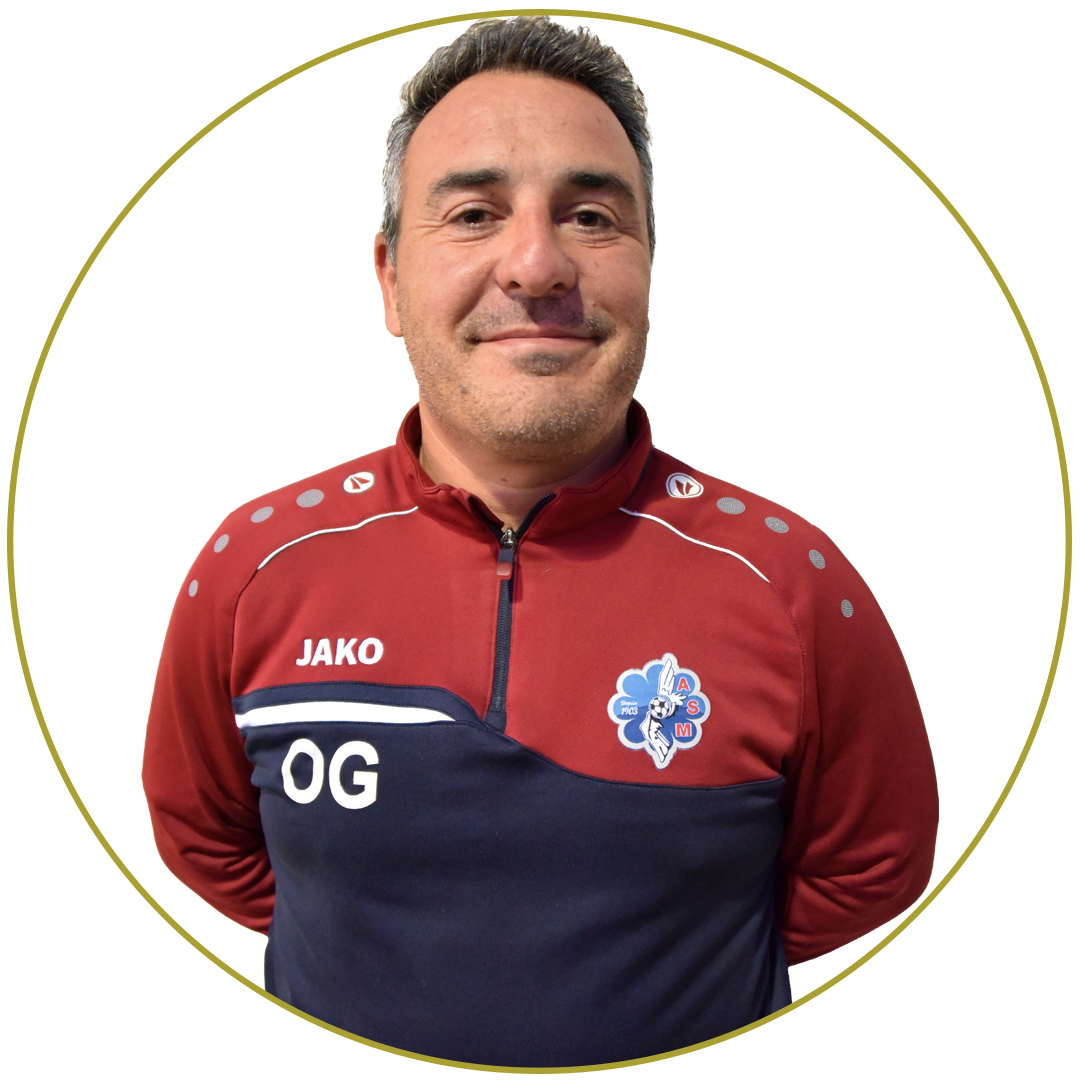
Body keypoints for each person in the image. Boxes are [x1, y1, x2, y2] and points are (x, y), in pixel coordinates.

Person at [143, 16, 937, 1074]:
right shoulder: (255, 568)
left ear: (649, 267)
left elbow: (872, 866)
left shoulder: (792, 585)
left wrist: (672, 976)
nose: (535, 264)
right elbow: (205, 839)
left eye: (591, 216)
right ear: (389, 279)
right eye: (474, 213)